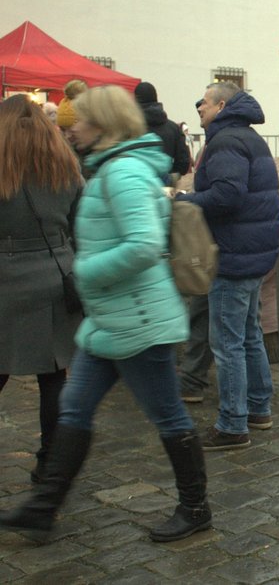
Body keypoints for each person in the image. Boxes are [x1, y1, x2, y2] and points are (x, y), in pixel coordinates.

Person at [0, 86, 210, 543]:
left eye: (83, 119)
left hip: (139, 320)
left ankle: (195, 507)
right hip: (111, 320)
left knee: (169, 416)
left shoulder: (124, 173)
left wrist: (85, 272)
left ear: (105, 124)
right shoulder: (111, 168)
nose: (72, 126)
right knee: (74, 407)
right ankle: (43, 506)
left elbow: (143, 245)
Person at [175, 81, 279, 451]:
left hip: (234, 254)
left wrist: (186, 199)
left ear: (221, 105)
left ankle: (233, 424)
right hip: (252, 252)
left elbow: (227, 194)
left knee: (228, 343)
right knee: (248, 333)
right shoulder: (248, 137)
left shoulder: (225, 141)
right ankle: (258, 408)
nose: (198, 106)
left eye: (202, 101)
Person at [0, 95, 84, 485]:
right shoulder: (64, 163)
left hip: (6, 276)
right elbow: (76, 222)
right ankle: (49, 461)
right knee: (53, 375)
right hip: (56, 273)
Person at [134, 81, 191, 178]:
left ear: (135, 100)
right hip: (167, 186)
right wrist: (170, 176)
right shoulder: (174, 128)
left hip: (137, 183)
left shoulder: (130, 129)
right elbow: (184, 163)